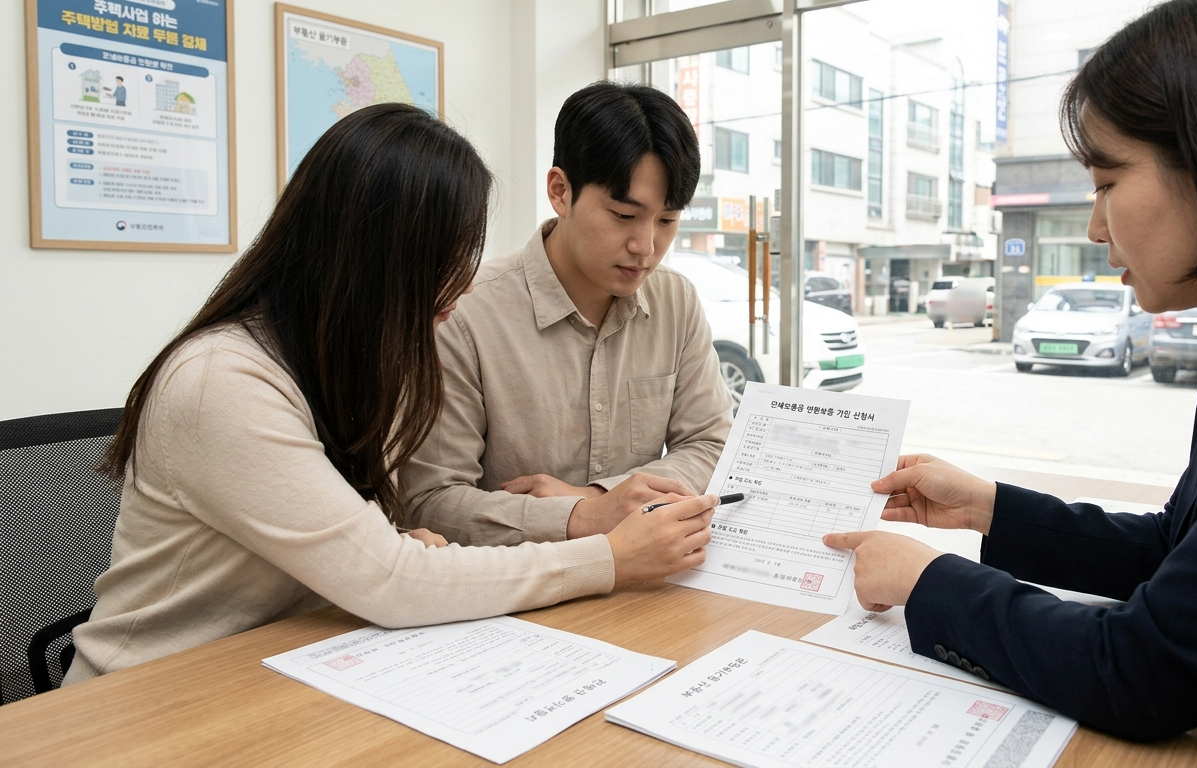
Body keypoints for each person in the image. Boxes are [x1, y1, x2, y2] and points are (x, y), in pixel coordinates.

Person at [824, 1, 1197, 765]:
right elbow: (1181, 547)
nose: (1096, 228)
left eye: (1106, 183)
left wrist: (928, 581)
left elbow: (1144, 669)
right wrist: (990, 508)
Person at [65, 103, 716, 684]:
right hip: (151, 693)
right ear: (370, 261)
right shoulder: (221, 382)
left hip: (299, 662)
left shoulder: (350, 356)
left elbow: (390, 542)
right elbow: (392, 574)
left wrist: (400, 553)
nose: (460, 288)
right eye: (442, 263)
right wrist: (607, 555)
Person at [400, 82, 733, 548]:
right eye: (623, 215)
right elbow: (429, 501)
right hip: (511, 599)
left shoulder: (675, 302)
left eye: (666, 220)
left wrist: (597, 496)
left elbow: (712, 445)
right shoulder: (464, 313)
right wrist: (578, 517)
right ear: (560, 191)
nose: (646, 247)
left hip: (647, 582)